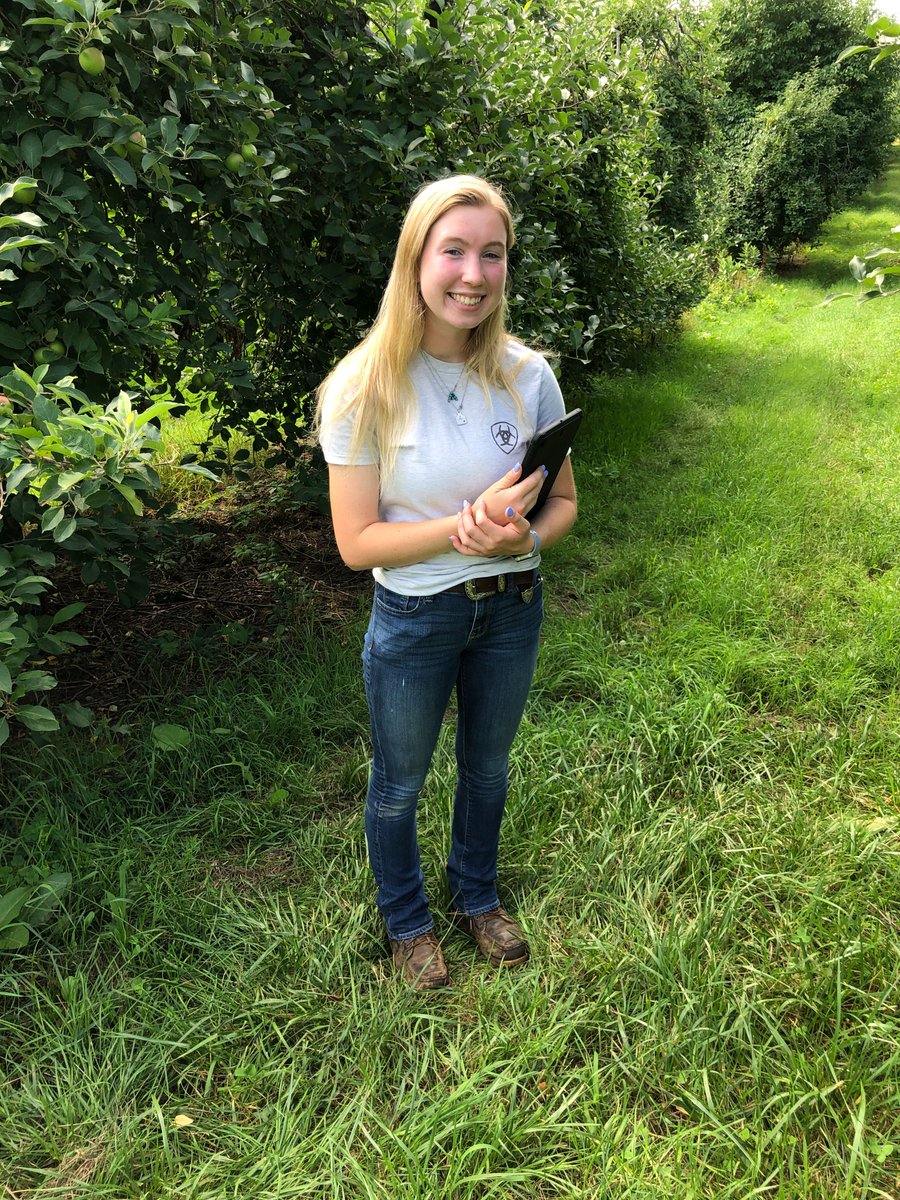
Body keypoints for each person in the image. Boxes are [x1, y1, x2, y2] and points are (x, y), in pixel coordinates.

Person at [316, 175, 577, 989]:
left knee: (489, 769)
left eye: (491, 253)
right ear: (415, 260)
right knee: (400, 783)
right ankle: (407, 921)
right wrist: (465, 528)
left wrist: (521, 536)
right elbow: (357, 543)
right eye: (453, 250)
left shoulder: (528, 376)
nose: (473, 273)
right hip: (416, 614)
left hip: (513, 610)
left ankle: (477, 895)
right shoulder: (364, 387)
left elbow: (563, 504)